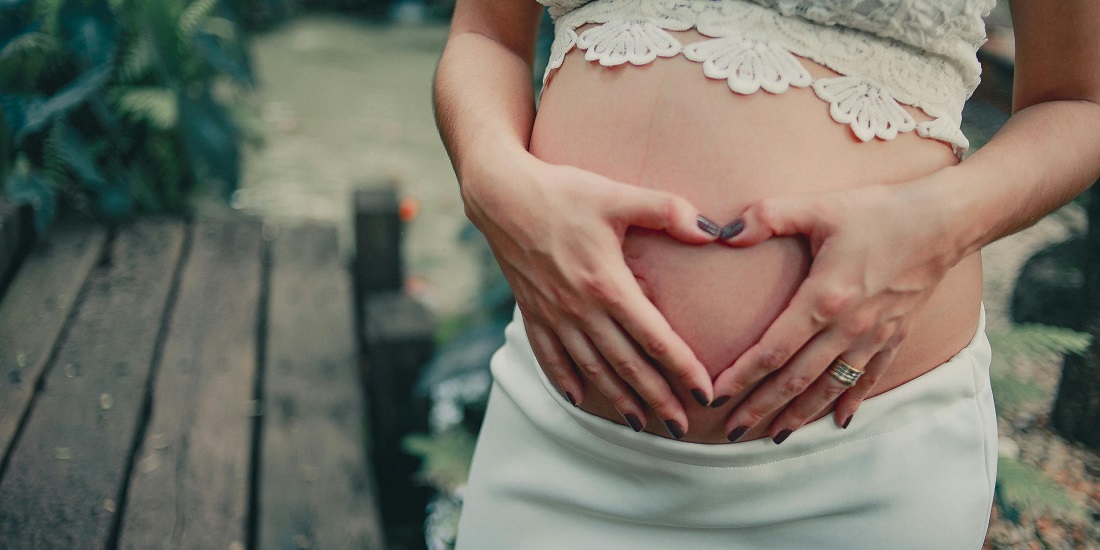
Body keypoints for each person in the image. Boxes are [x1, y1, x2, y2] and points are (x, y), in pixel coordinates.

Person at [433, 0, 1100, 547]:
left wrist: (937, 224)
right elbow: (486, 36)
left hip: (858, 466)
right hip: (557, 433)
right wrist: (492, 181)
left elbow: (1078, 105)